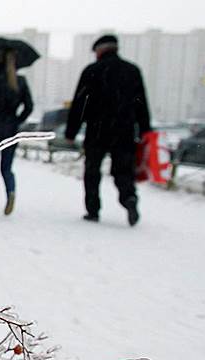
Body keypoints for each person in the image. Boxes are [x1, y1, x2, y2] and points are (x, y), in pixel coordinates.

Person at [65, 34, 151, 226]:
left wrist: (71, 132)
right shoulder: (132, 71)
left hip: (97, 130)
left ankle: (93, 210)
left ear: (100, 50)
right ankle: (129, 198)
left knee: (92, 170)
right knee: (123, 170)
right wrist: (145, 128)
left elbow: (79, 104)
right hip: (124, 131)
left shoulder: (92, 71)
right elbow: (141, 103)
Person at [0, 49, 33, 215]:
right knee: (6, 169)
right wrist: (16, 120)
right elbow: (29, 107)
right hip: (10, 131)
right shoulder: (20, 82)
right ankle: (10, 192)